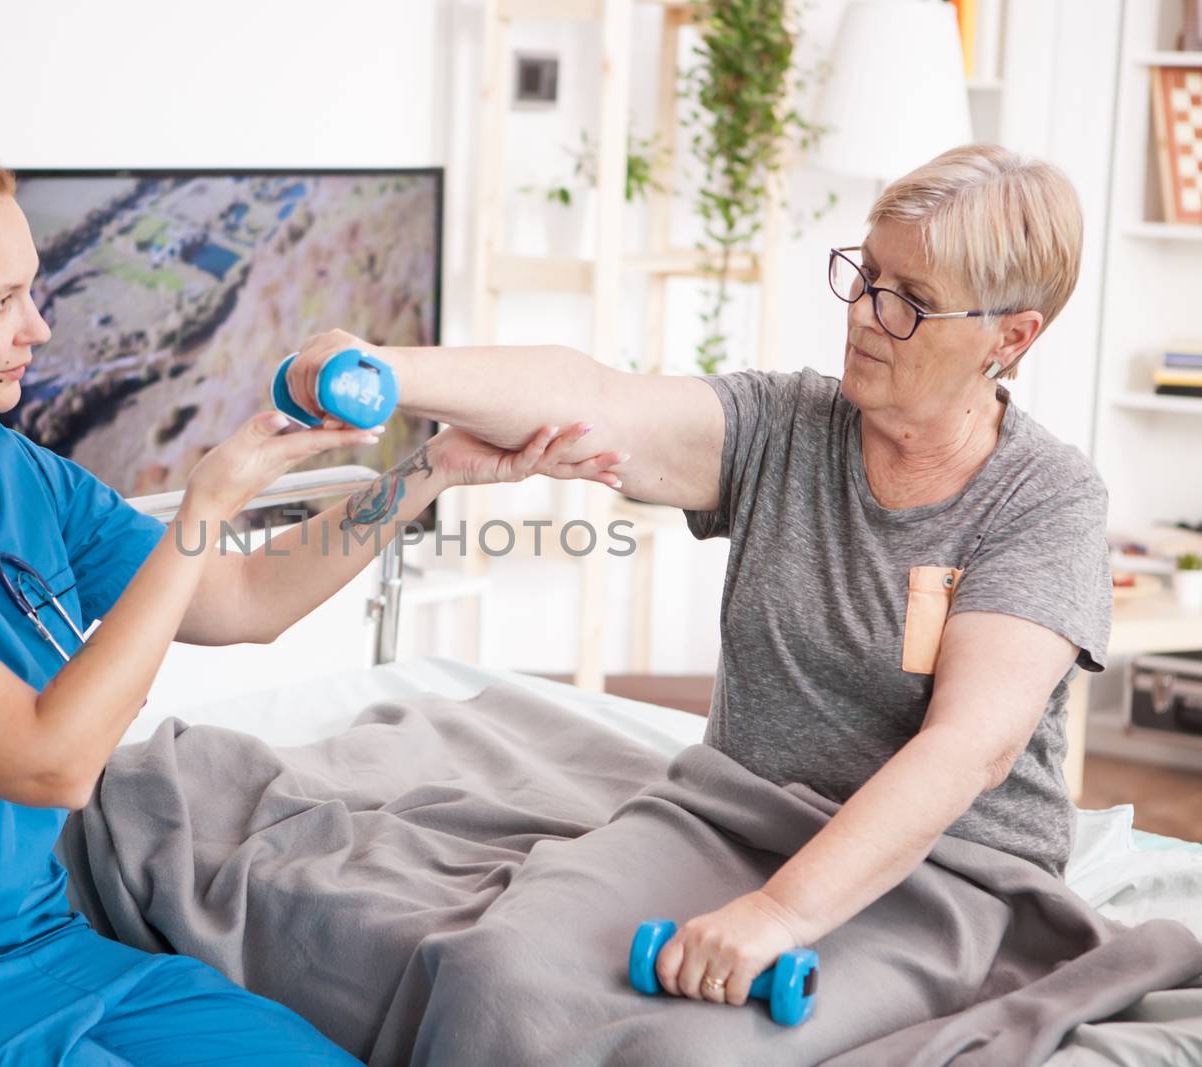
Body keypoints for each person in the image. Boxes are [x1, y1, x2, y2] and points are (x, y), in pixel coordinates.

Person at [0, 136, 624, 1066]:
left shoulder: (0, 465)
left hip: (27, 942)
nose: (40, 328)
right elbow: (49, 763)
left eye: (33, 288)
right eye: (0, 302)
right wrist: (203, 510)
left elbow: (246, 599)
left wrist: (431, 470)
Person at [284, 143, 1111, 1015]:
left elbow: (967, 750)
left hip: (948, 875)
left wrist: (778, 914)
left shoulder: (1045, 500)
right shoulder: (783, 424)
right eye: (866, 275)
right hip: (734, 817)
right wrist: (386, 368)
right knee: (499, 973)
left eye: (912, 302)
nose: (866, 314)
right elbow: (591, 394)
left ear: (1011, 336)